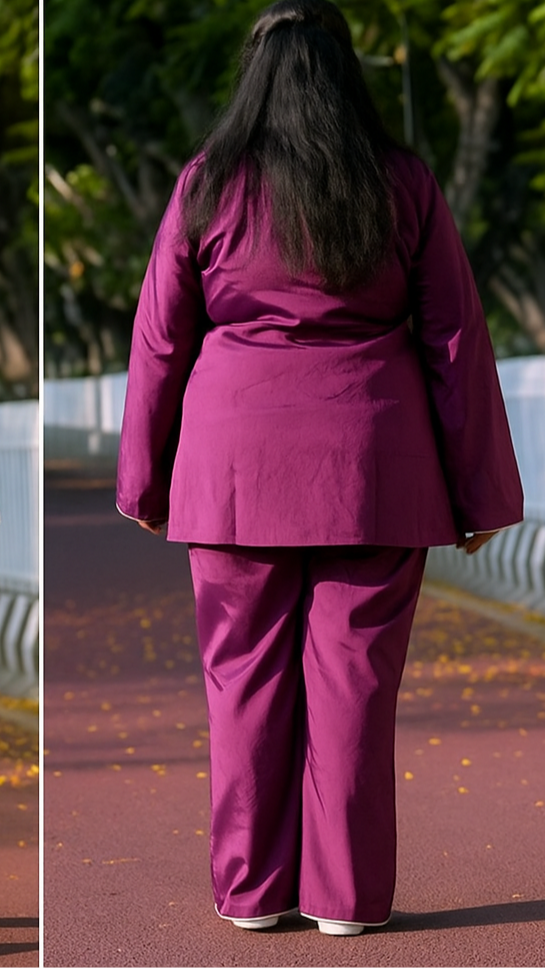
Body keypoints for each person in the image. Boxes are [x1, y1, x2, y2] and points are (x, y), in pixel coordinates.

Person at [116, 0, 523, 938]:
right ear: (349, 74)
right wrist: (481, 492)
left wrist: (143, 478)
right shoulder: (402, 184)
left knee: (242, 679)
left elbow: (159, 341)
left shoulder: (205, 186)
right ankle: (342, 899)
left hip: (230, 474)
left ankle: (252, 892)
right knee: (355, 683)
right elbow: (453, 338)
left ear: (250, 79)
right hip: (372, 467)